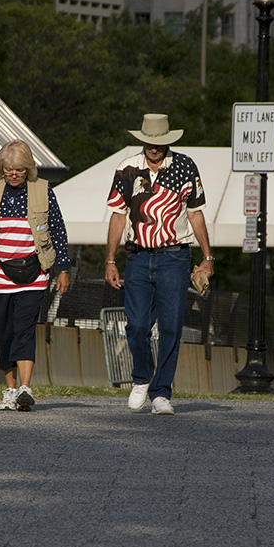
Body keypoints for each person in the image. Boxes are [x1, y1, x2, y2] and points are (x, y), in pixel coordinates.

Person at [104, 114, 215, 415]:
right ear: (142, 140)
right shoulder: (126, 169)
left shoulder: (185, 167)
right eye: (150, 142)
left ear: (168, 142)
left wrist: (207, 257)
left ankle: (161, 392)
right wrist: (110, 259)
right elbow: (117, 215)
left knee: (171, 326)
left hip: (175, 256)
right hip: (138, 256)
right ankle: (142, 378)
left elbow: (195, 214)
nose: (154, 148)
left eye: (160, 142)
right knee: (137, 325)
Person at [0, 140, 71, 412]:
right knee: (3, 333)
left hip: (34, 273)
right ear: (1, 168)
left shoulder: (42, 191)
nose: (14, 174)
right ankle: (10, 389)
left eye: (19, 169)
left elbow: (58, 231)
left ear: (28, 168)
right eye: (8, 170)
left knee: (24, 330)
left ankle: (25, 388)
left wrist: (63, 269)